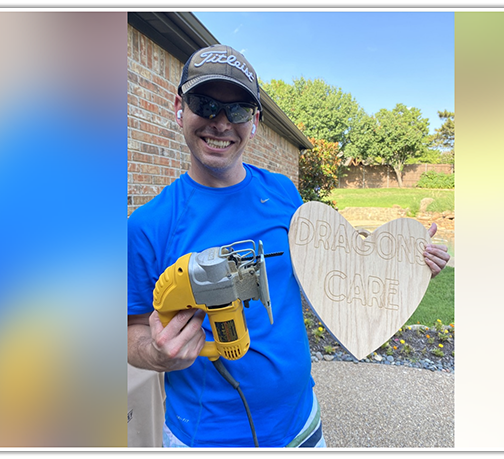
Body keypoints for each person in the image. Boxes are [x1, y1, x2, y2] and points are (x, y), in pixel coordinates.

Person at [126, 44, 451, 448]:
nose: (221, 123)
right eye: (205, 105)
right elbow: (130, 332)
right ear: (180, 107)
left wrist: (407, 264)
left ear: (256, 121)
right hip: (205, 437)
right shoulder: (147, 226)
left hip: (302, 424)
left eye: (239, 110)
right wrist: (157, 355)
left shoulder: (282, 193)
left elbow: (329, 271)